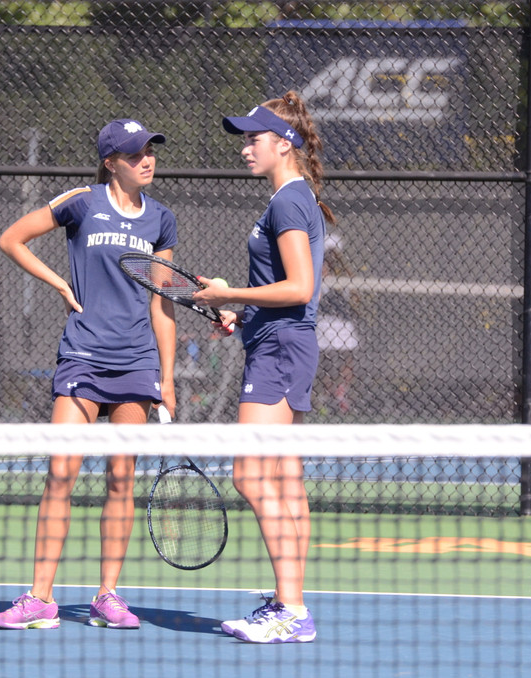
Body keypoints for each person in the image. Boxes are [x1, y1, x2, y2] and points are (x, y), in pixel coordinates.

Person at [0, 119, 178, 631]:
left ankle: (107, 596)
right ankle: (40, 600)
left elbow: (163, 303)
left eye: (151, 151)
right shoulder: (82, 202)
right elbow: (13, 239)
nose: (148, 159)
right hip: (83, 356)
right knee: (61, 474)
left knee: (122, 478)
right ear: (111, 161)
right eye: (136, 153)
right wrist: (58, 284)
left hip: (137, 361)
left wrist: (168, 377)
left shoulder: (162, 219)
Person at [193, 92, 334, 644]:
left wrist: (230, 291)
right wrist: (241, 311)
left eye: (254, 138)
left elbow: (301, 288)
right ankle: (288, 602)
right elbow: (289, 293)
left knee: (250, 475)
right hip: (280, 340)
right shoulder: (294, 199)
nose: (246, 148)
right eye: (245, 138)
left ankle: (292, 609)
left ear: (284, 143)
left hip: (280, 347)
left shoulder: (288, 202)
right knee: (285, 480)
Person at [315, 234, 359, 415]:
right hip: (325, 323)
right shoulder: (318, 269)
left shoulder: (344, 274)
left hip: (341, 322)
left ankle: (337, 392)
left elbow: (354, 299)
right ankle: (328, 393)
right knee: (328, 360)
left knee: (344, 358)